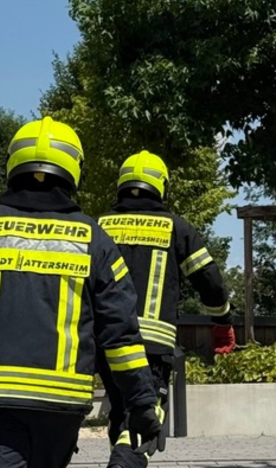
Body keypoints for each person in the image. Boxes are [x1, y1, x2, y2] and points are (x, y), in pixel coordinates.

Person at [0, 117, 163, 468]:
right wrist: (142, 402)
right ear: (74, 170)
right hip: (62, 406)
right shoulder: (94, 240)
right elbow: (120, 334)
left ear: (13, 165)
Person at [97, 150, 235, 468]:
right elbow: (209, 280)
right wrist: (222, 321)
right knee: (145, 420)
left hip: (105, 345)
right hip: (151, 347)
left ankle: (121, 454)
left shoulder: (97, 226)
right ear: (162, 187)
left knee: (122, 410)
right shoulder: (175, 228)